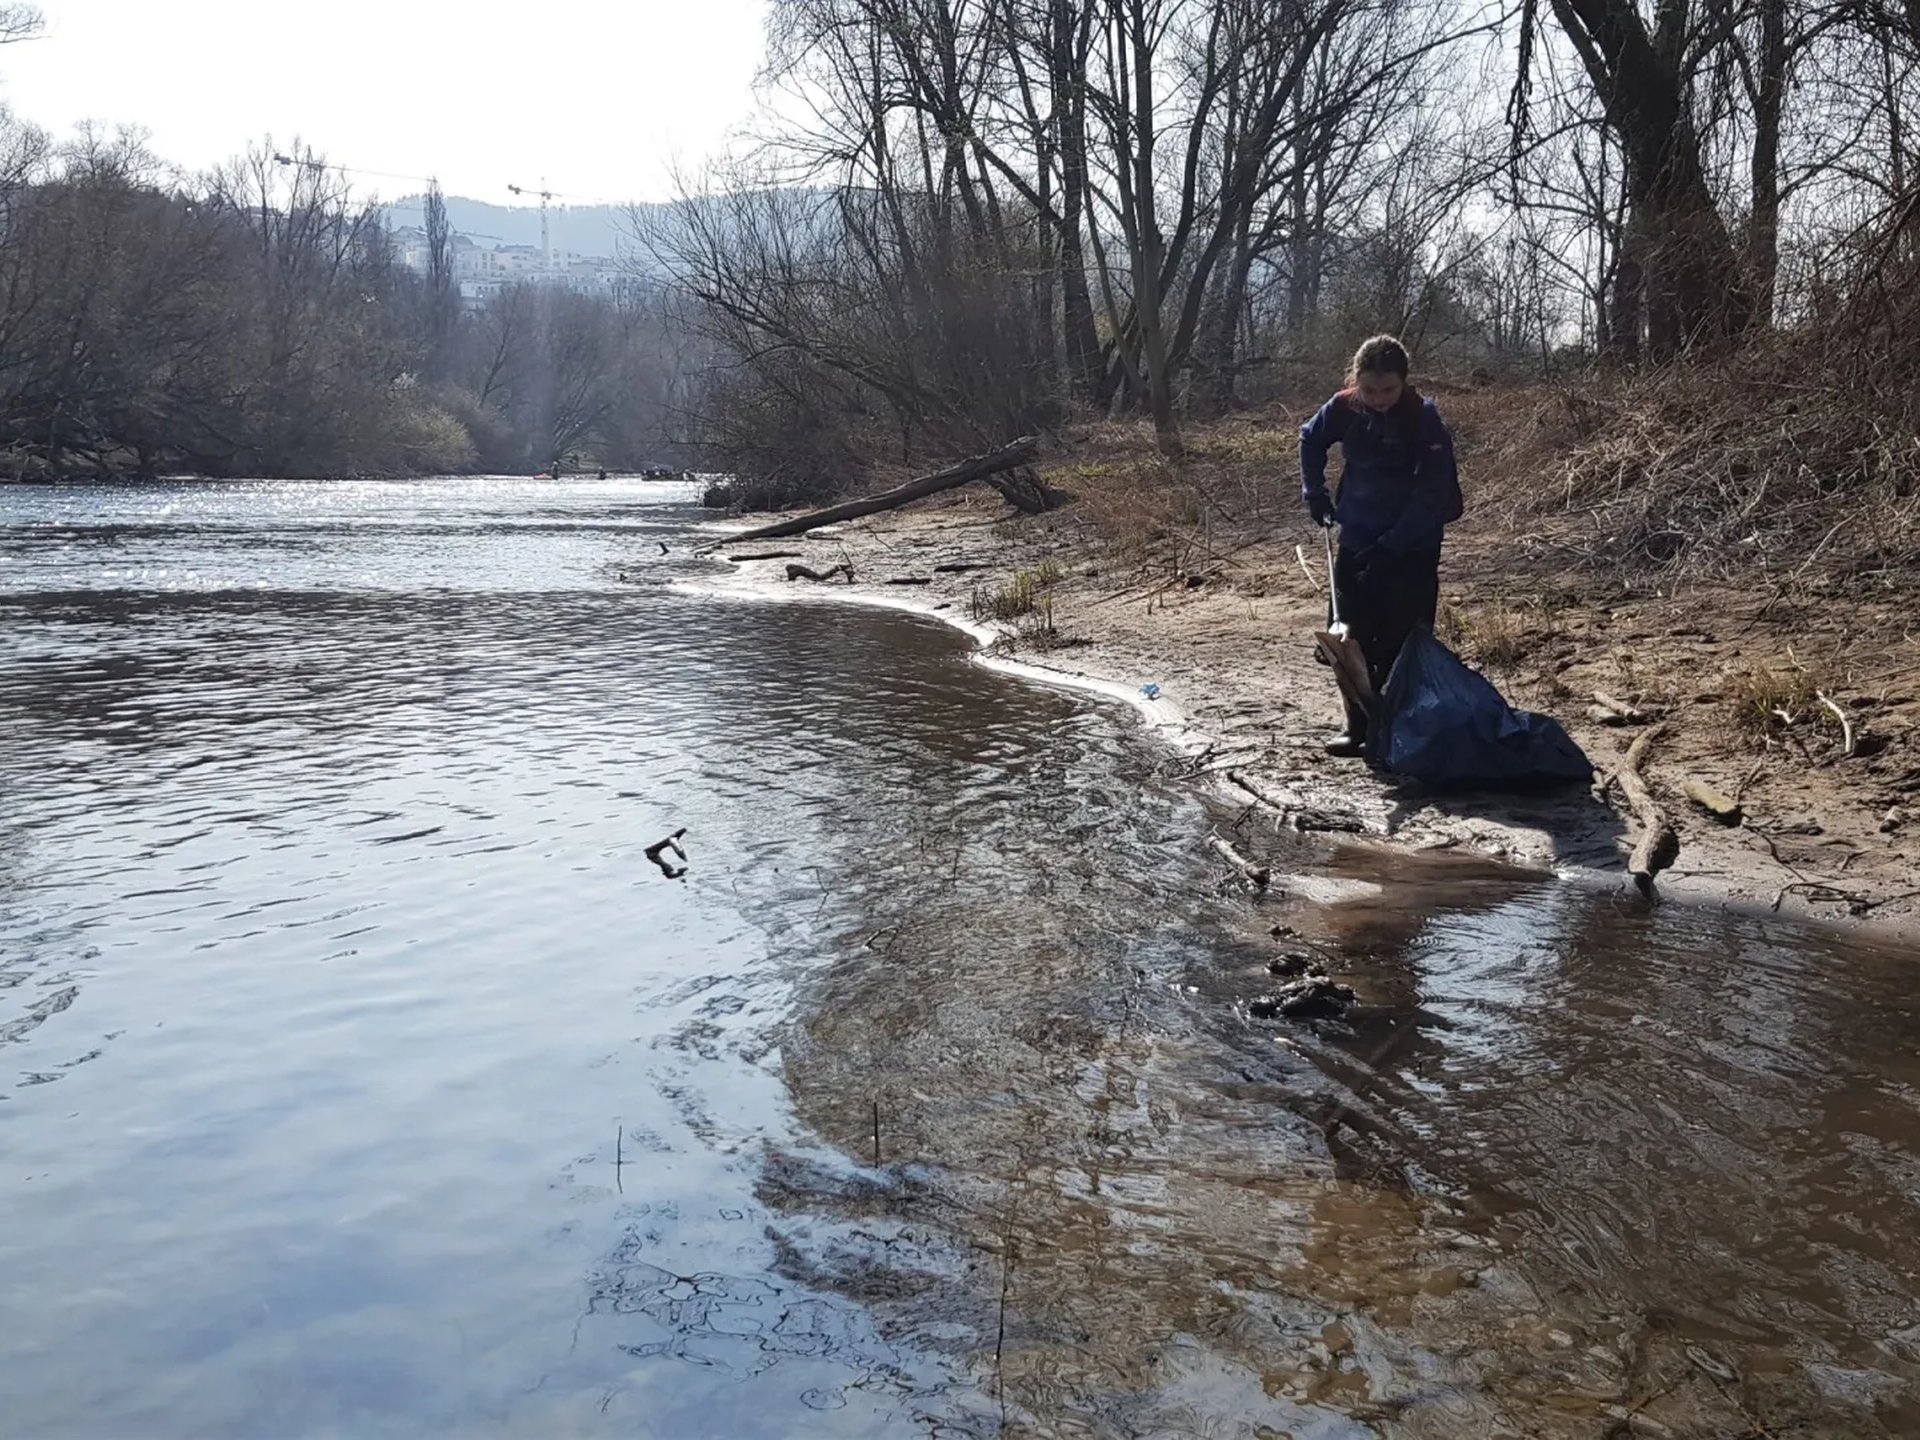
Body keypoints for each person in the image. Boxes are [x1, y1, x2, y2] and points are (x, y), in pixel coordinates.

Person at [1299, 335, 1463, 758]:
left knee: (1401, 638)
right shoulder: (1343, 406)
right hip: (1357, 535)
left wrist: (1393, 545)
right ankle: (1357, 726)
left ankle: (1397, 729)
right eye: (1370, 390)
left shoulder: (1424, 419)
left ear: (1403, 383)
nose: (1378, 399)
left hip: (1412, 545)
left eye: (1388, 390)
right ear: (1357, 382)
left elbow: (1433, 492)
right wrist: (1314, 493)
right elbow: (1310, 439)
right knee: (1345, 635)